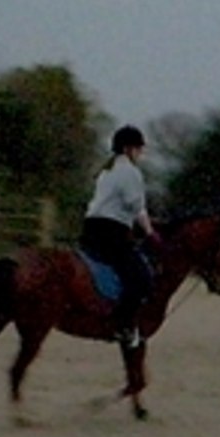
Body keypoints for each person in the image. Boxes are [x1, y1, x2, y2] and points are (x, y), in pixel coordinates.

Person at [80, 125, 159, 348]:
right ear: (128, 149)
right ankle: (123, 326)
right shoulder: (131, 173)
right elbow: (136, 208)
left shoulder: (106, 171)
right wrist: (151, 233)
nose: (140, 154)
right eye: (138, 149)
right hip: (111, 231)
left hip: (90, 228)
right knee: (141, 278)